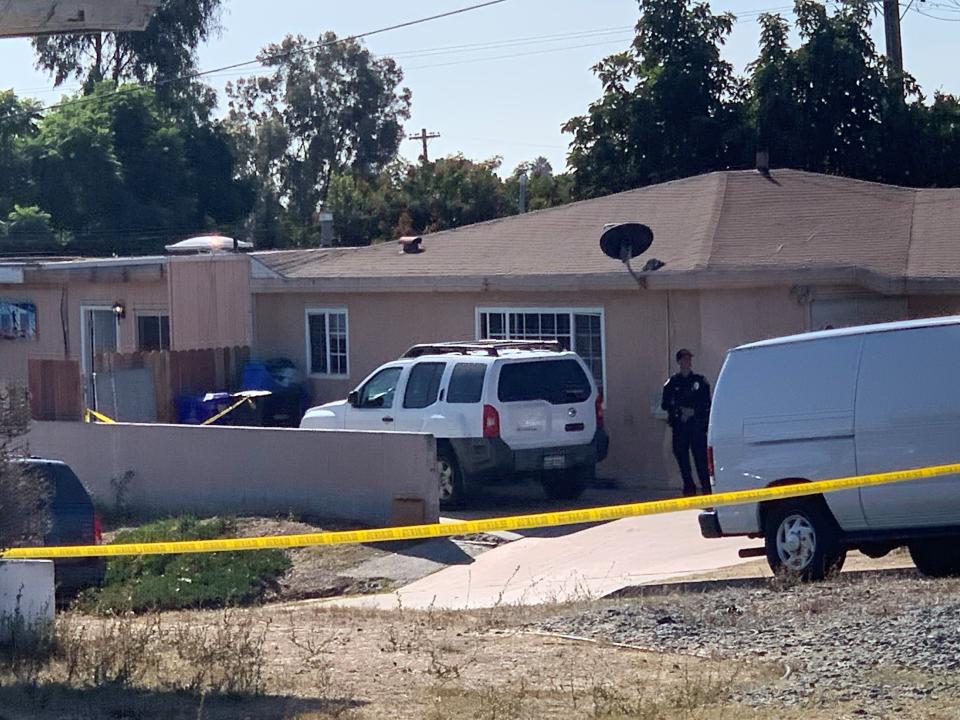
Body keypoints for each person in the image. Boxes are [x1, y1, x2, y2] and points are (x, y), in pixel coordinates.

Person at [661, 348, 712, 496]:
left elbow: (706, 403)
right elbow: (666, 404)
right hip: (680, 427)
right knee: (683, 461)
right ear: (679, 362)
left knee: (701, 460)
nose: (687, 362)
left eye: (689, 359)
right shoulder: (673, 383)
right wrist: (679, 411)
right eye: (684, 359)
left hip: (696, 427)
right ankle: (689, 489)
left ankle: (706, 489)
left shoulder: (699, 381)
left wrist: (694, 412)